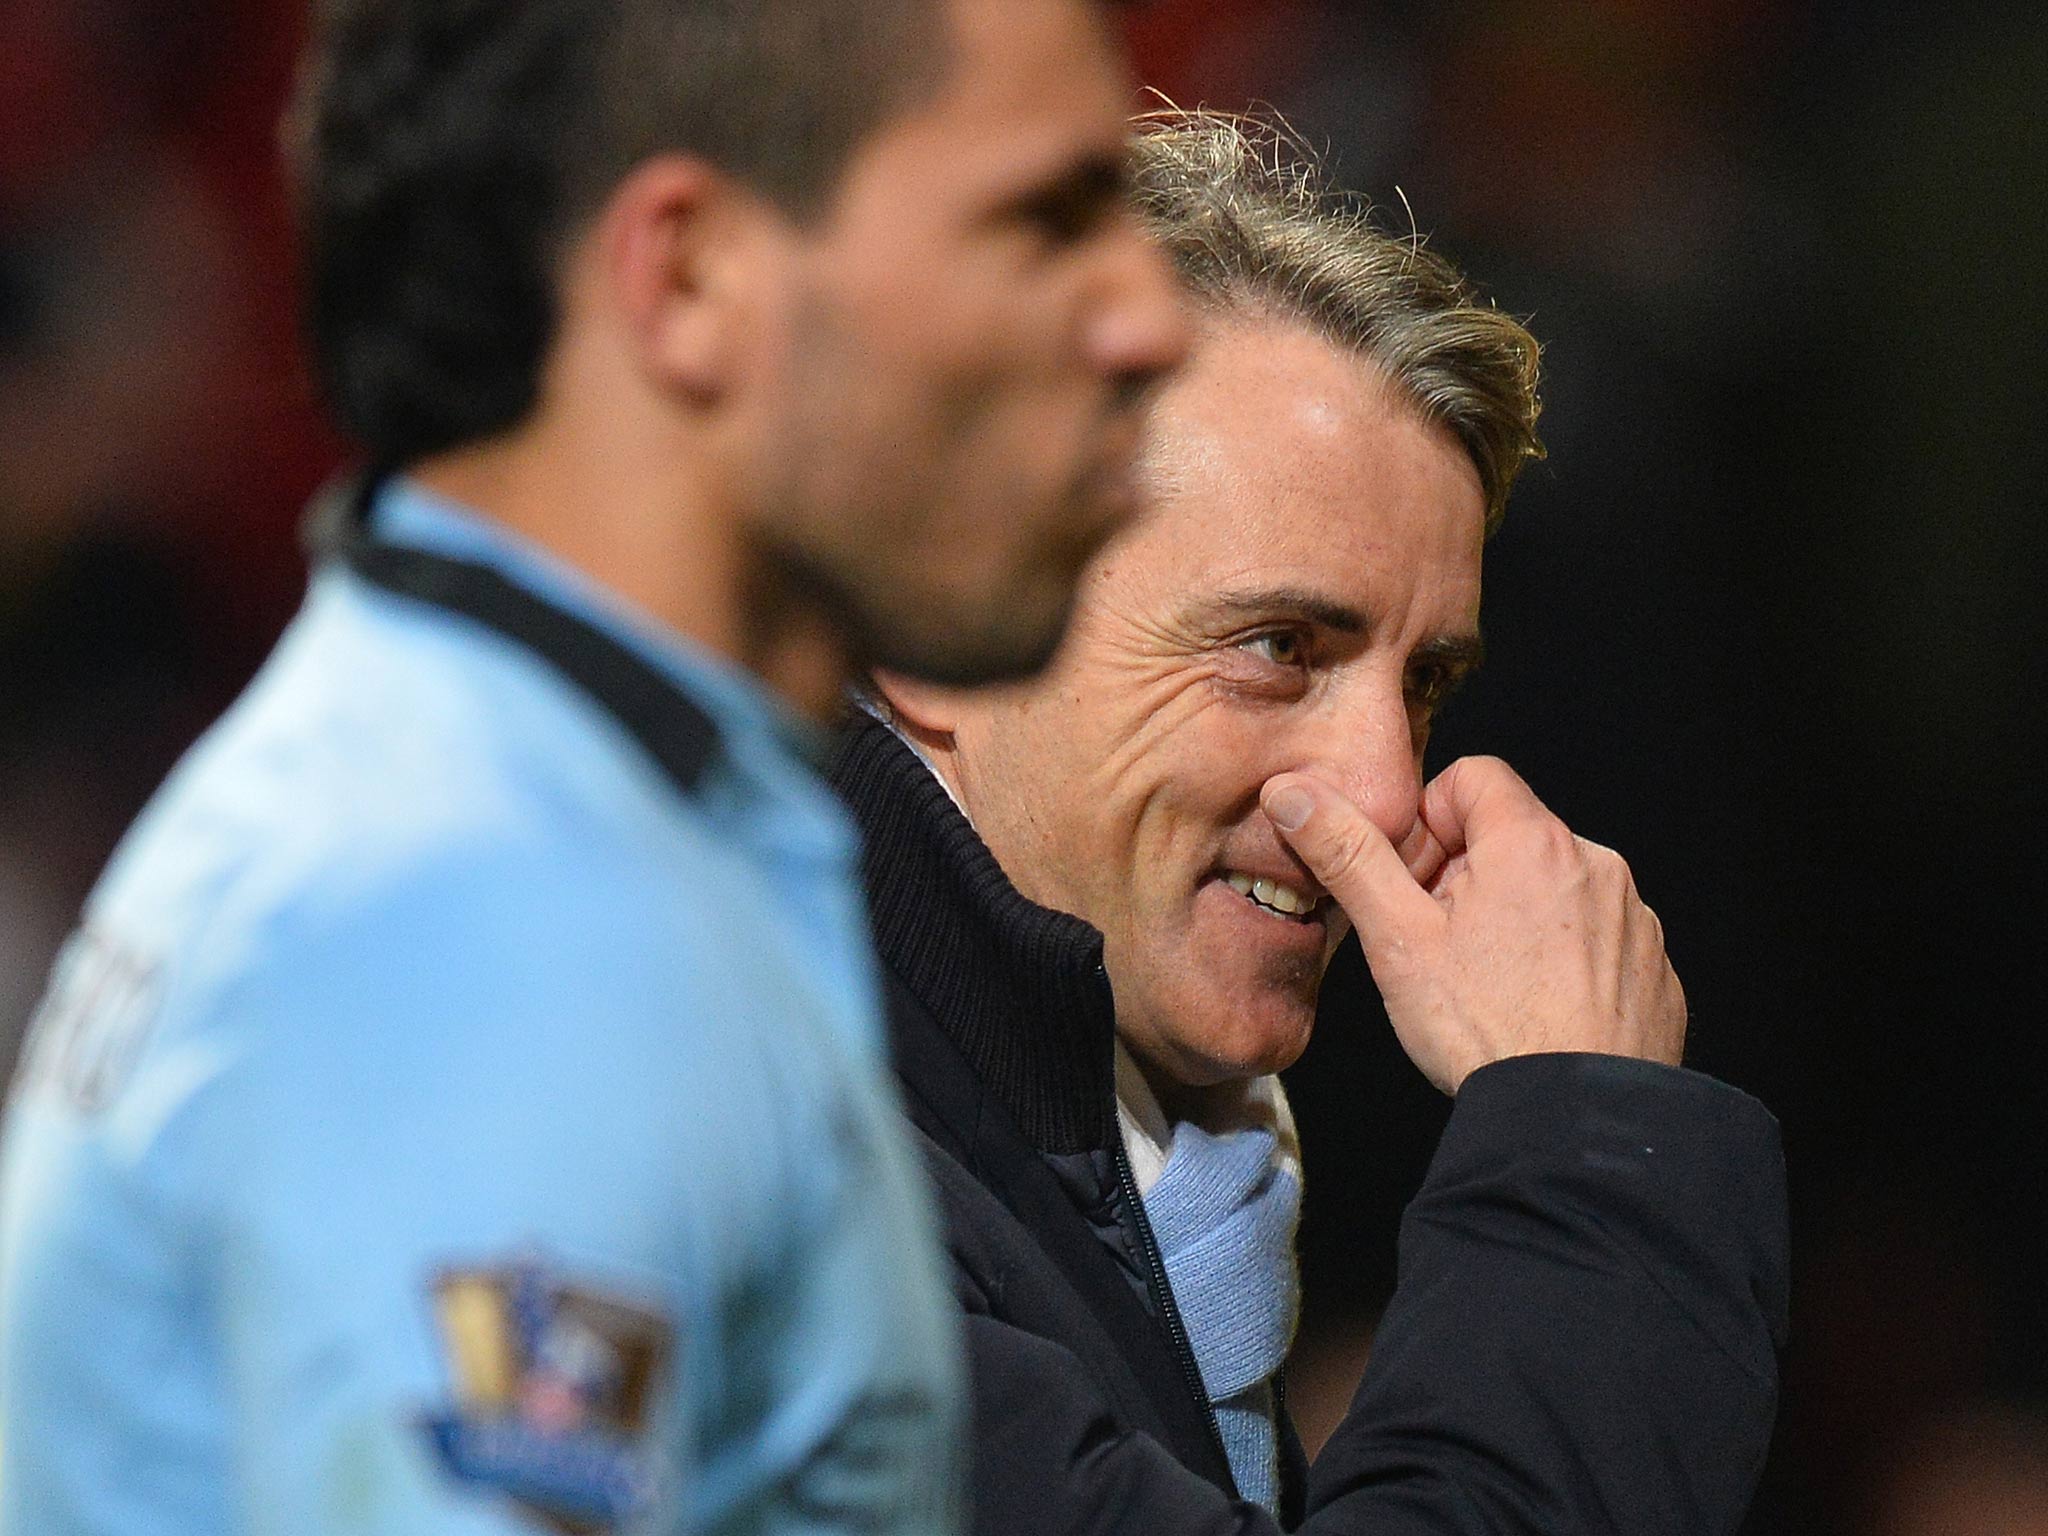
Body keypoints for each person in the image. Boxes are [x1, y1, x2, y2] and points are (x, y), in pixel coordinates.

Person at [0, 1, 1186, 1531]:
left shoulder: (492, 794)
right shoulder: (497, 920)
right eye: (1044, 219)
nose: (1146, 317)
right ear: (687, 277)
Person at [831, 111, 1788, 1535]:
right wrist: (1593, 1156)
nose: (1389, 791)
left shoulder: (1143, 1150)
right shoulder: (751, 1162)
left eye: (1427, 684)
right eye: (1277, 646)